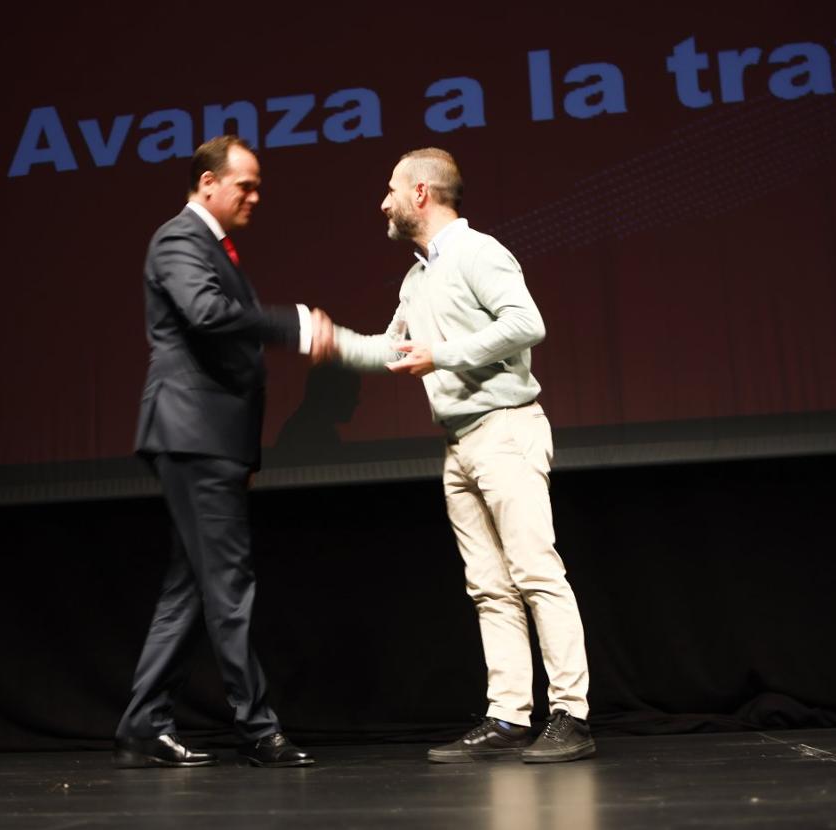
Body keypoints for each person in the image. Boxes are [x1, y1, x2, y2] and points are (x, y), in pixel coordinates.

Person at [323, 148, 595, 763]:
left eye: (391, 190)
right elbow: (392, 349)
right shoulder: (417, 279)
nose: (383, 202)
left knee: (535, 573)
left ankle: (571, 716)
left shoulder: (480, 252)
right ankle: (507, 716)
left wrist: (442, 355)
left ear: (421, 193)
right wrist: (328, 340)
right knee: (489, 588)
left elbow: (527, 323)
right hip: (460, 444)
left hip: (505, 428)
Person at [116, 135, 329, 768]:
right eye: (246, 184)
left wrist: (247, 458)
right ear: (208, 182)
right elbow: (208, 316)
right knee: (229, 585)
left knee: (192, 588)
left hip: (213, 441)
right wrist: (293, 324)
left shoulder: (213, 247)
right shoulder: (180, 238)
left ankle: (142, 724)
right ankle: (257, 728)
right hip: (194, 434)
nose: (256, 196)